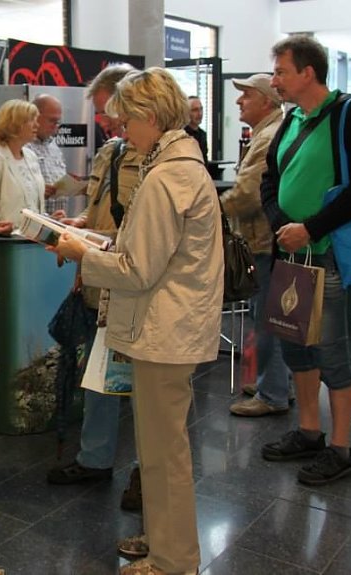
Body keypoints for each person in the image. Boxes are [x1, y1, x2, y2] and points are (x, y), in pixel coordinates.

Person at [52, 67, 222, 575]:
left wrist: (82, 254)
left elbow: (137, 269)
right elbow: (149, 250)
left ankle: (173, 560)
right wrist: (99, 243)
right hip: (170, 324)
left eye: (127, 121)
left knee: (163, 452)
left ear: (150, 116)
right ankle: (166, 540)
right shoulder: (177, 166)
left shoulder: (166, 177)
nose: (122, 132)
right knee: (160, 448)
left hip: (164, 328)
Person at [260, 35, 351, 485]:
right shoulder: (291, 119)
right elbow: (269, 179)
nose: (275, 81)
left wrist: (311, 228)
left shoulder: (349, 113)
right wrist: (280, 223)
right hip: (290, 252)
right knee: (296, 346)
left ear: (307, 72)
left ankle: (341, 448)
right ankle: (309, 431)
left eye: (281, 72)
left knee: (333, 352)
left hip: (327, 253)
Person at [45, 64, 146, 513]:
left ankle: (146, 472)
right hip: (99, 276)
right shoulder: (111, 150)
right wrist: (79, 225)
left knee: (144, 386)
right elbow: (101, 207)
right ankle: (95, 458)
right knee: (99, 373)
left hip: (132, 280)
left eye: (108, 110)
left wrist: (90, 245)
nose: (104, 120)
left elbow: (145, 232)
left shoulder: (158, 157)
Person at [221, 73, 293, 417]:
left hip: (264, 242)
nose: (239, 101)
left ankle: (272, 392)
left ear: (266, 100)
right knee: (266, 316)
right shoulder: (268, 132)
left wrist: (210, 211)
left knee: (266, 320)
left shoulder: (268, 137)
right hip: (264, 240)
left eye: (246, 95)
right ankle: (276, 381)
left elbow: (248, 194)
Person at [0, 99, 44, 238]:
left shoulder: (31, 156)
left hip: (33, 240)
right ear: (14, 124)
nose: (37, 125)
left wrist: (49, 220)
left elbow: (32, 203)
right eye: (31, 120)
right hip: (6, 242)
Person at [26, 94, 69, 216]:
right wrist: (38, 191)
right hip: (34, 221)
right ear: (35, 117)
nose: (55, 126)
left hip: (58, 218)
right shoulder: (23, 147)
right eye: (51, 121)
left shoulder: (54, 146)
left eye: (58, 122)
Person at [184, 95, 208, 161]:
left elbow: (204, 159)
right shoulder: (182, 134)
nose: (200, 113)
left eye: (201, 109)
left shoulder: (202, 134)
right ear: (186, 112)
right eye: (195, 110)